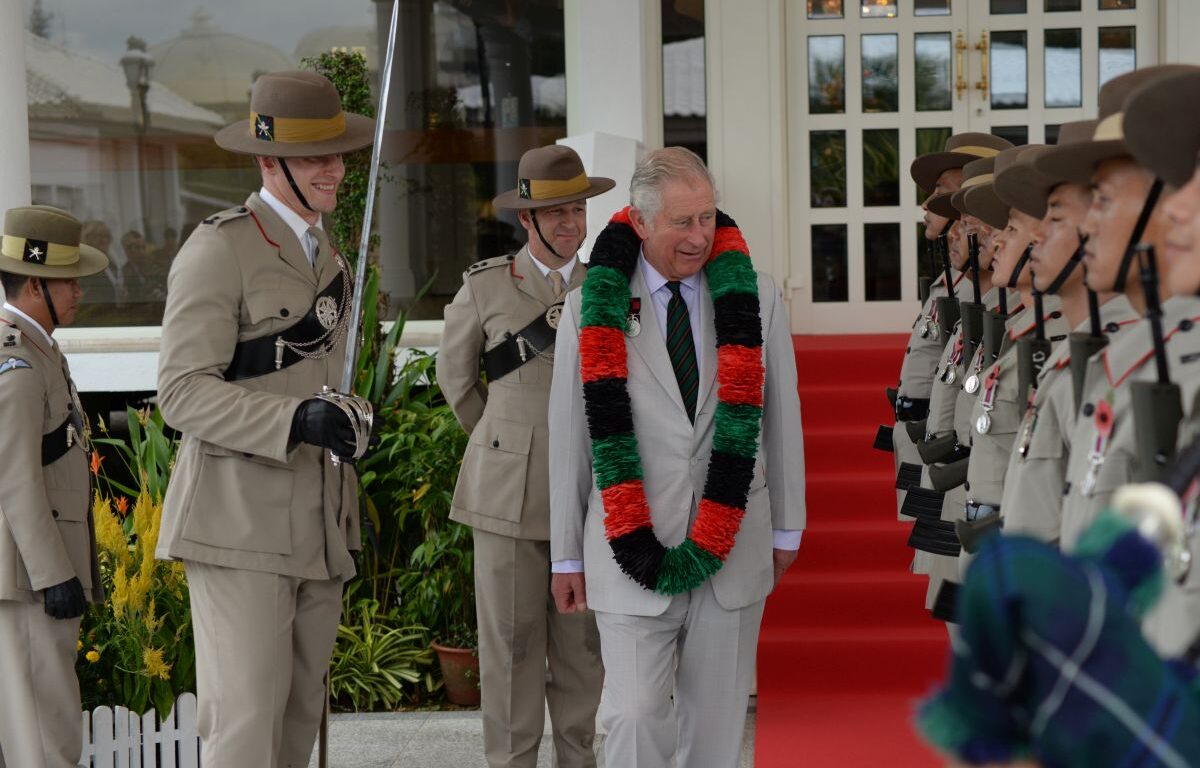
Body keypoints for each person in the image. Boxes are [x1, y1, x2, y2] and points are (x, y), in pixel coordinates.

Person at [548, 147, 806, 768]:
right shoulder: (592, 309)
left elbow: (781, 414)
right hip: (627, 548)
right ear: (639, 223)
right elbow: (571, 437)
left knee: (715, 731)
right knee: (633, 716)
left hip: (734, 545)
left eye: (707, 219)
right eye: (681, 223)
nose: (699, 237)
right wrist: (565, 553)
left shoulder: (759, 298)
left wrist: (788, 524)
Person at [155, 70, 373, 767]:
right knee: (245, 730)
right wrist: (295, 422)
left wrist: (342, 417)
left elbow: (318, 377)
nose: (333, 169)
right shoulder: (219, 249)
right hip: (239, 521)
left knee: (296, 725)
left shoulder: (330, 256)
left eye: (337, 153)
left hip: (317, 521)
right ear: (267, 159)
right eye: (315, 156)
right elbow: (181, 392)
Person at [437, 144, 611, 768]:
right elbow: (455, 378)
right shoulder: (485, 287)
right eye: (557, 212)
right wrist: (501, 442)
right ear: (526, 220)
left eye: (579, 211)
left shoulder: (607, 289)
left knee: (581, 653)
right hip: (506, 498)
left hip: (588, 500)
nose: (571, 223)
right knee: (509, 651)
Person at [0, 205, 107, 767]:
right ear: (36, 283)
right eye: (70, 280)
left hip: (33, 574)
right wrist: (53, 575)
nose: (78, 292)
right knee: (44, 743)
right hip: (28, 579)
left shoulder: (38, 348)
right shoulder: (15, 359)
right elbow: (14, 478)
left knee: (45, 735)